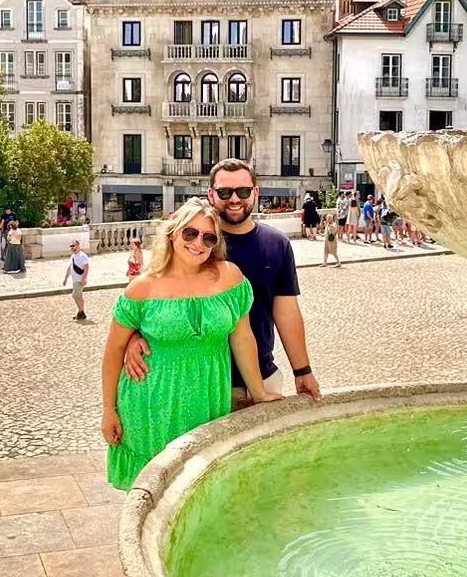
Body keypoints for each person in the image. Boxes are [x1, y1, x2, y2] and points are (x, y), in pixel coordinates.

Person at [101, 199, 278, 489]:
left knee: (201, 486)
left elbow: (242, 337)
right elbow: (112, 355)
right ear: (173, 233)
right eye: (190, 233)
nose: (199, 243)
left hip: (208, 398)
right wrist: (109, 411)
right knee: (156, 492)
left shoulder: (230, 277)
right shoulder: (142, 287)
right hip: (152, 401)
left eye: (209, 237)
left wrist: (259, 392)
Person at [123, 158, 322, 409]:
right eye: (225, 192)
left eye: (243, 191)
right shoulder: (193, 242)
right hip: (201, 382)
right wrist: (133, 335)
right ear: (211, 194)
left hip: (261, 376)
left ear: (255, 193)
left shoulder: (276, 244)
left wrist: (302, 370)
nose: (235, 199)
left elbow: (287, 313)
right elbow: (154, 296)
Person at [68, 239, 91, 321]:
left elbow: (86, 267)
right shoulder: (73, 256)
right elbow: (70, 268)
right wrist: (65, 278)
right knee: (78, 296)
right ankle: (81, 312)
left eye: (73, 246)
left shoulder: (82, 256)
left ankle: (81, 311)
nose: (72, 248)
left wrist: (84, 278)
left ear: (78, 246)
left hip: (79, 280)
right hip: (75, 280)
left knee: (76, 295)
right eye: (71, 246)